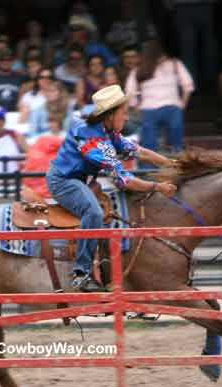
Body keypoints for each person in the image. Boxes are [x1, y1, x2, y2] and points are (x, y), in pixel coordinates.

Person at [46, 84, 177, 292]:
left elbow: (138, 151)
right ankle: (82, 273)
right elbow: (124, 180)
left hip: (82, 180)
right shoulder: (93, 138)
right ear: (110, 114)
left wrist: (170, 163)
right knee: (93, 212)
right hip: (64, 181)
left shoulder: (108, 133)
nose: (126, 118)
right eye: (123, 113)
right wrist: (157, 186)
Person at [125, 39, 194, 154]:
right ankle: (177, 165)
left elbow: (129, 93)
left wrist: (136, 105)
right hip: (170, 108)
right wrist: (182, 105)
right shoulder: (174, 64)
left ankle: (148, 170)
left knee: (149, 146)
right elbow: (188, 85)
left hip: (151, 110)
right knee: (175, 145)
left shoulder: (141, 69)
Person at [0, 106, 27, 173]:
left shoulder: (16, 135)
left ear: (4, 120)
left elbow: (29, 153)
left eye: (1, 119)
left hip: (14, 178)